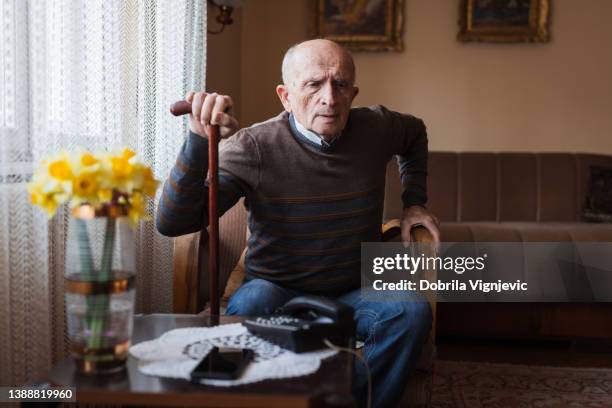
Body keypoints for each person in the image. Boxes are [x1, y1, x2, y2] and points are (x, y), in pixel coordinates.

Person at [157, 39, 440, 408]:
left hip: (352, 292)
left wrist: (414, 201)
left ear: (353, 93)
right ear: (285, 96)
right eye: (313, 84)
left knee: (411, 313)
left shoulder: (377, 128)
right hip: (276, 289)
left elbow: (415, 133)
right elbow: (172, 222)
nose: (330, 98)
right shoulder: (255, 146)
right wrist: (197, 140)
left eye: (340, 85)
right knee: (251, 303)